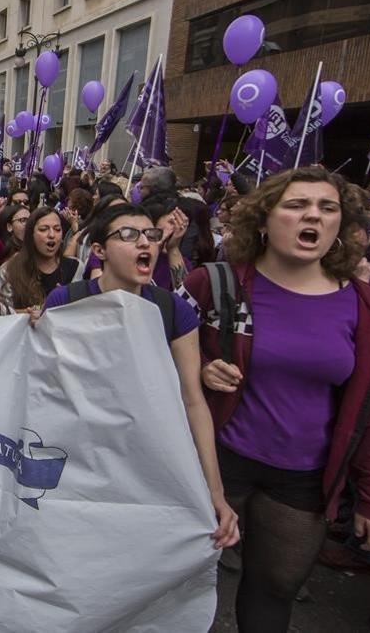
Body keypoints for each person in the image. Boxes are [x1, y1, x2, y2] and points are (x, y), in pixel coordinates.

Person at [180, 167, 370, 633]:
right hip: (213, 460)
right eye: (297, 205)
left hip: (301, 479)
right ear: (263, 220)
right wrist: (199, 366)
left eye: (328, 209)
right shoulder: (214, 284)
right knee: (172, 579)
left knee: (272, 593)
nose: (314, 216)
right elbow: (151, 352)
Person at [43, 204, 240, 547]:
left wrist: (215, 490)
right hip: (79, 457)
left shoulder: (171, 309)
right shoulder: (66, 301)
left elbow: (191, 399)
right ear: (100, 251)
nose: (144, 243)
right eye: (129, 235)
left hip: (144, 458)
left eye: (151, 235)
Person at [0, 207, 80, 310]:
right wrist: (35, 312)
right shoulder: (8, 271)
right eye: (43, 229)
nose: (51, 235)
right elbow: (0, 315)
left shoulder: (75, 268)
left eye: (57, 229)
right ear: (31, 234)